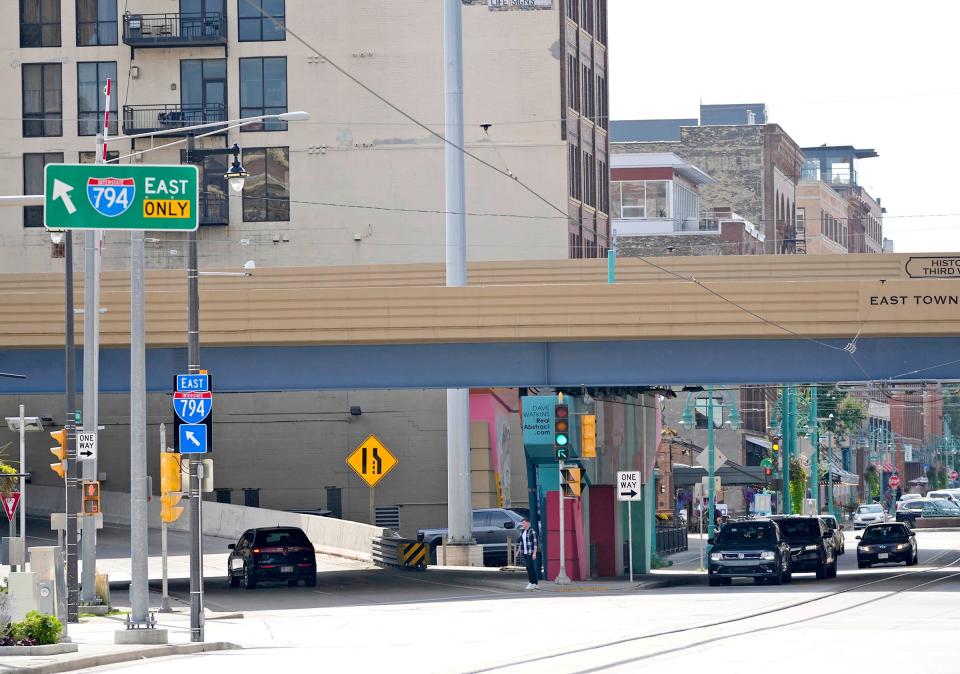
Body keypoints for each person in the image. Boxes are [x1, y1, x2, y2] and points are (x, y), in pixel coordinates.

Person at [518, 517, 540, 590]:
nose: (523, 525)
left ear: (528, 523)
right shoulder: (523, 532)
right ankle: (536, 583)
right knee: (531, 568)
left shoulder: (532, 532)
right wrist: (518, 551)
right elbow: (521, 542)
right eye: (522, 523)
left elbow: (535, 544)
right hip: (524, 552)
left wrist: (534, 553)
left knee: (529, 567)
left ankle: (531, 582)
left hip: (530, 552)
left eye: (524, 523)